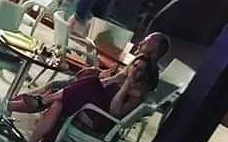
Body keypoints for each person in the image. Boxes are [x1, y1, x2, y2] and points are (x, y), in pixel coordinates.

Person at [9, 54, 159, 142]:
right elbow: (101, 85)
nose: (134, 70)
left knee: (86, 84)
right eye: (134, 65)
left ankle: (34, 102)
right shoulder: (120, 77)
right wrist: (114, 78)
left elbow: (114, 111)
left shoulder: (137, 93)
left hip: (101, 121)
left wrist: (126, 86)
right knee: (58, 104)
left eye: (140, 69)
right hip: (89, 110)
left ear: (145, 75)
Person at [24, 31, 171, 104]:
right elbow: (118, 79)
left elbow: (129, 92)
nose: (139, 43)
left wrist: (104, 79)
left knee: (55, 86)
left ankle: (30, 102)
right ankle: (29, 101)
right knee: (84, 75)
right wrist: (103, 75)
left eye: (145, 43)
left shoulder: (145, 73)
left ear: (153, 50)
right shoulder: (144, 66)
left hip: (98, 100)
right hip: (99, 92)